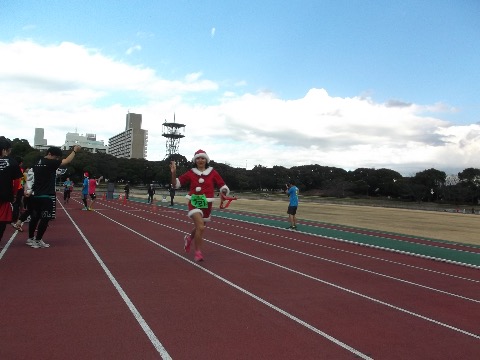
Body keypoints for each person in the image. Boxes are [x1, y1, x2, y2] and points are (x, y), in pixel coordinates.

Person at [170, 149, 230, 262]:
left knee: (200, 227)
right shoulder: (191, 173)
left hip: (207, 203)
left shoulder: (213, 172)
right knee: (201, 227)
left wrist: (224, 192)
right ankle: (198, 252)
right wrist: (173, 173)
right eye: (198, 158)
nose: (200, 160)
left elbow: (222, 185)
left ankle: (189, 238)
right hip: (194, 201)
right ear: (195, 160)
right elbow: (176, 184)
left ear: (206, 159)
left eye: (202, 158)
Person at [27, 145, 81, 248]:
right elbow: (66, 161)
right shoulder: (50, 163)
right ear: (50, 154)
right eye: (56, 157)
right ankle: (38, 240)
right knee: (45, 218)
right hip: (46, 195)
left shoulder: (37, 162)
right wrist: (74, 151)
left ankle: (30, 238)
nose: (56, 160)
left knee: (34, 218)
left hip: (35, 194)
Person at [0, 137, 23, 248]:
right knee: (1, 221)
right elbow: (16, 180)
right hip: (4, 197)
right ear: (5, 150)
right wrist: (14, 194)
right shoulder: (12, 162)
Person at [11, 156, 25, 226]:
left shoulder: (12, 168)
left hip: (14, 188)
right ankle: (14, 218)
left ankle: (14, 217)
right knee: (16, 204)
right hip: (17, 188)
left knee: (16, 203)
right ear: (21, 163)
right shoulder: (19, 169)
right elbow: (17, 180)